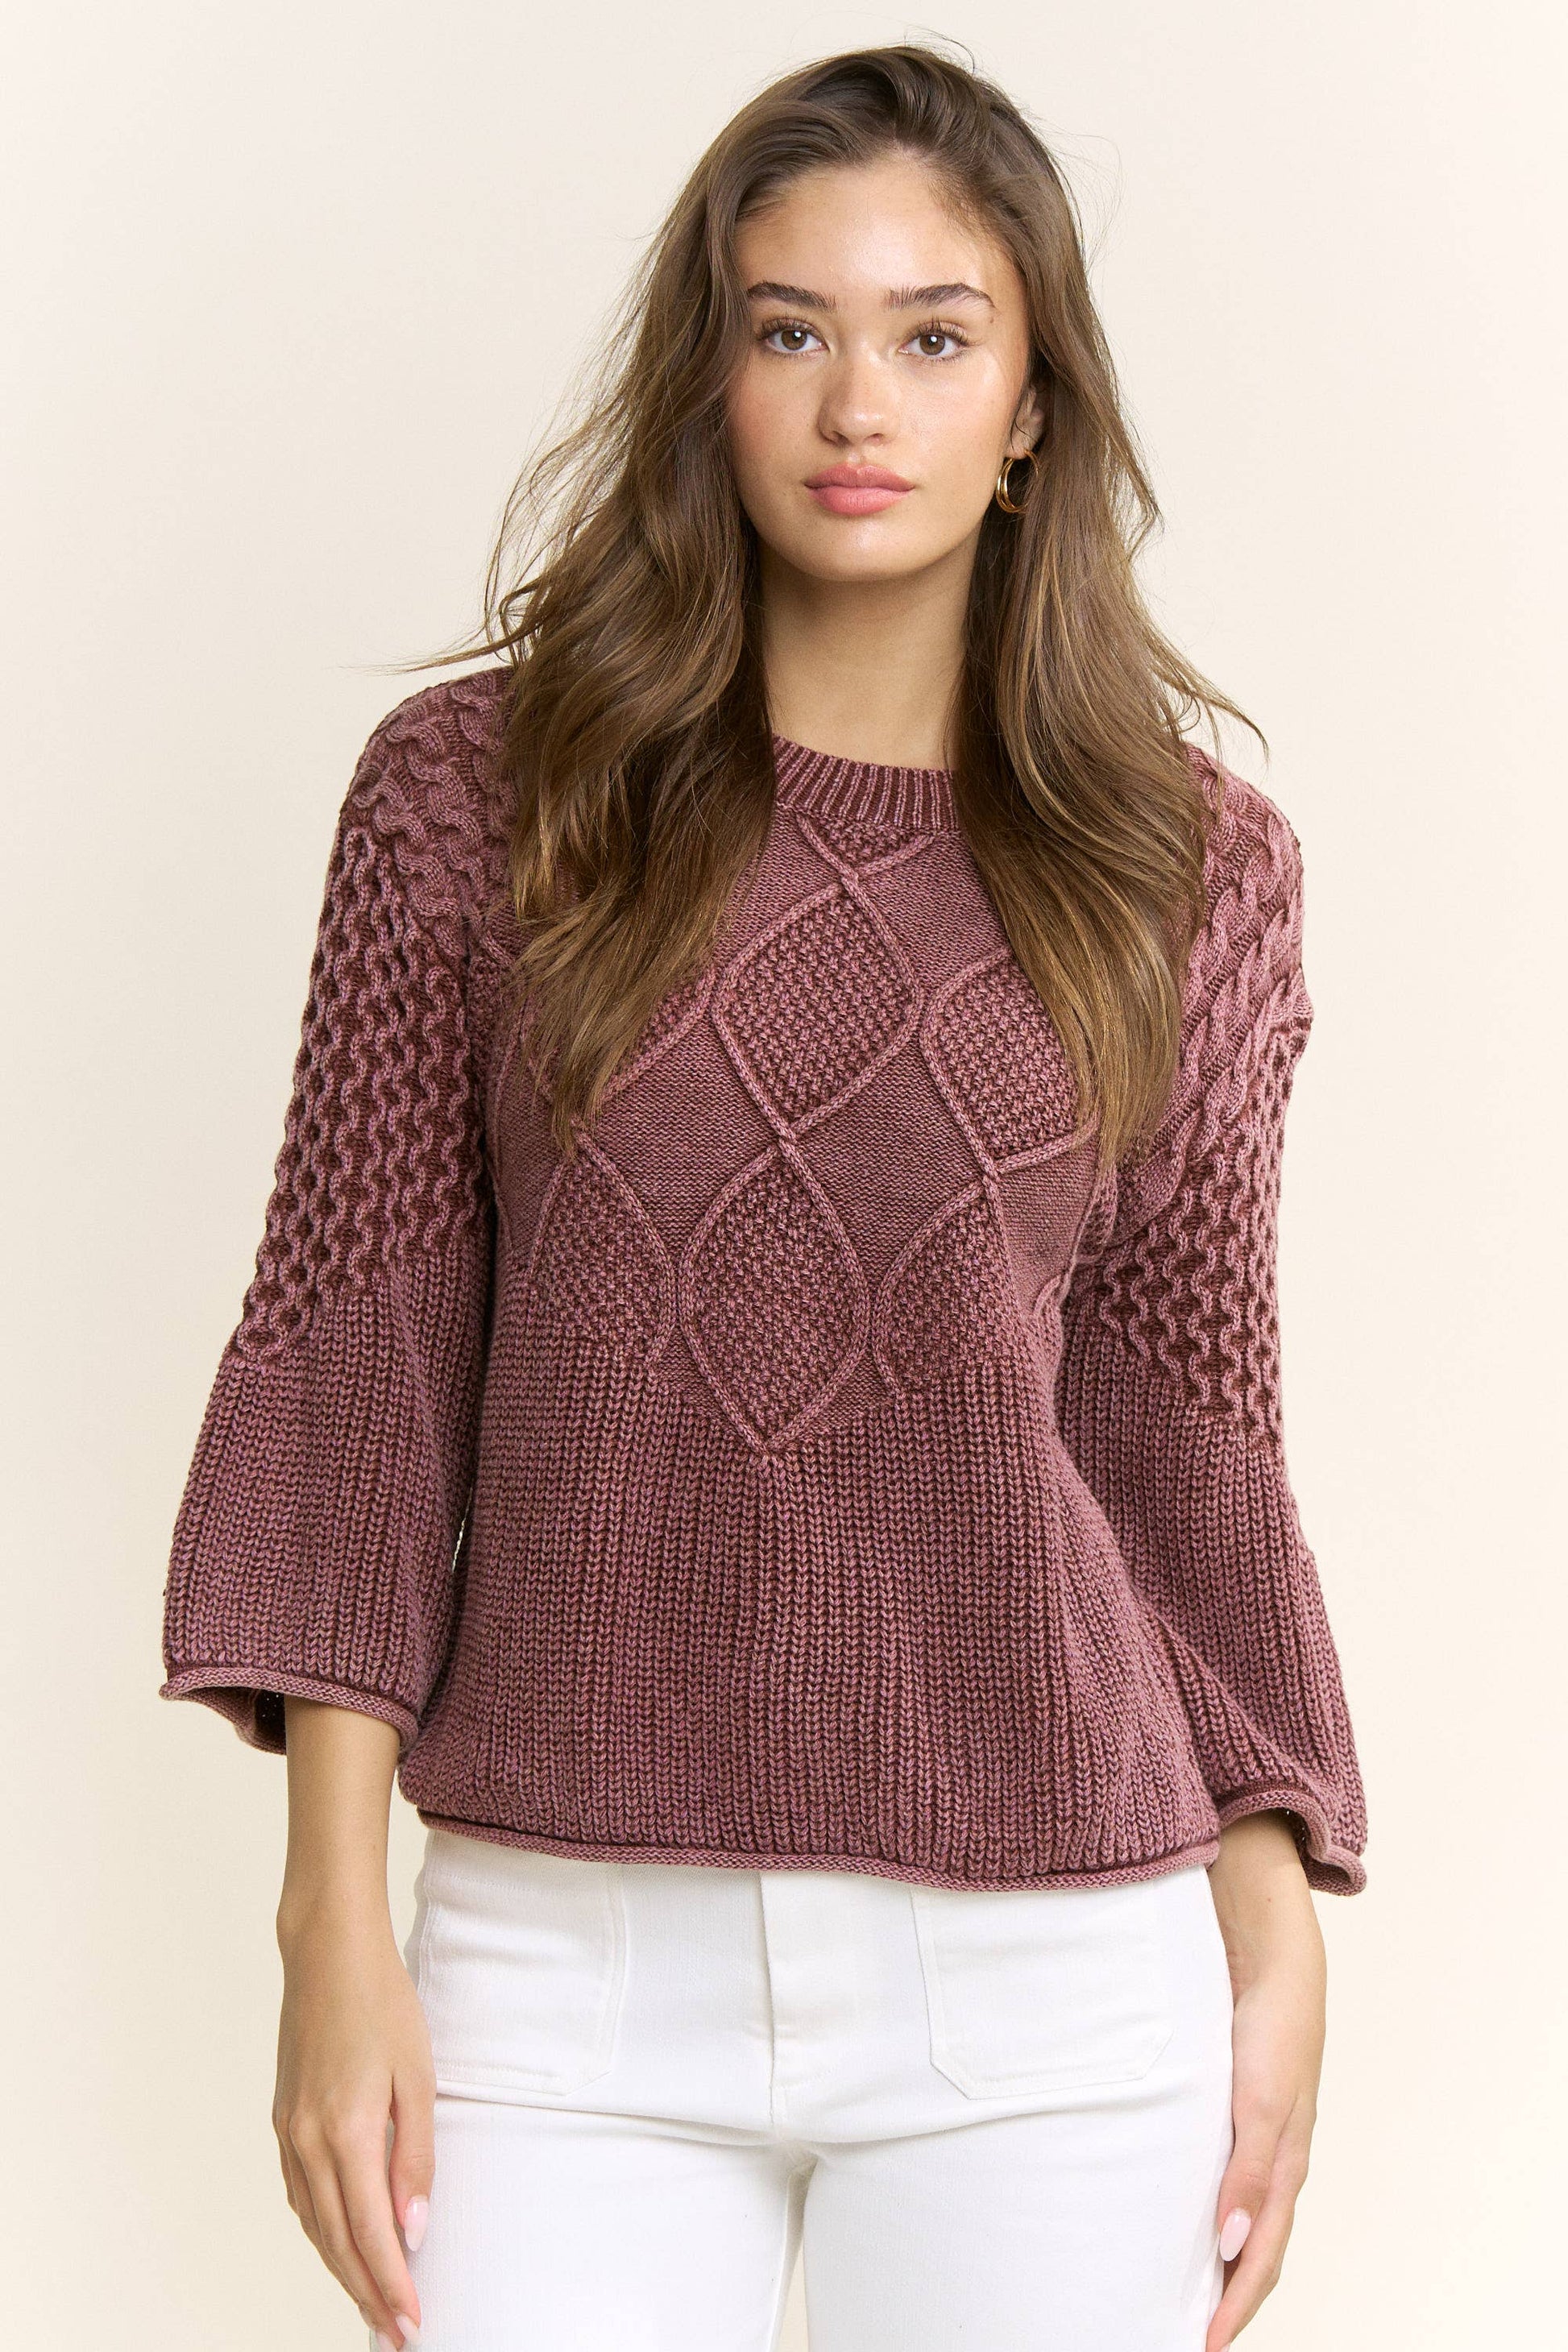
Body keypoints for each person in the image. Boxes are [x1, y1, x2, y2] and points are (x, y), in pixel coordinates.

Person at [159, 42, 1367, 2352]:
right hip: (559, 1968)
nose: (857, 403)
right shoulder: (478, 802)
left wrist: (1274, 1908)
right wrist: (327, 1926)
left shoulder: (1188, 873)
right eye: (789, 327)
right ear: (705, 379)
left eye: (935, 335)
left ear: (1031, 409)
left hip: (1053, 1981)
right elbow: (360, 1372)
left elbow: (1179, 1437)